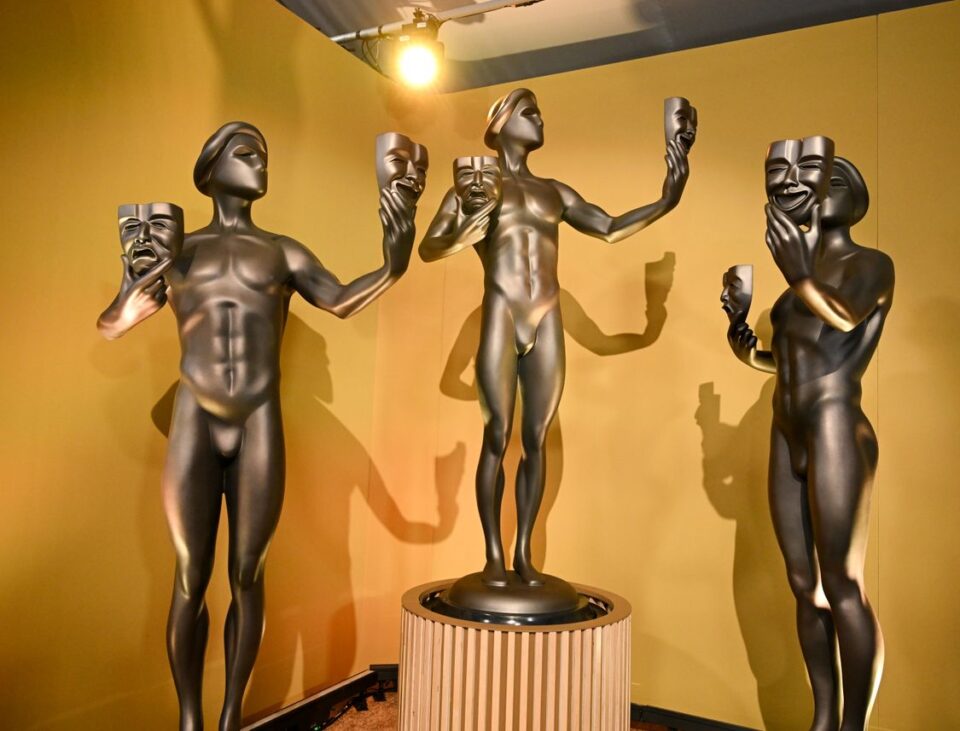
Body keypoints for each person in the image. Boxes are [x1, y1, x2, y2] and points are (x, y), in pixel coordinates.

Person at [97, 121, 423, 731]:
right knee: (190, 576)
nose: (260, 165)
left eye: (264, 156)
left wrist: (394, 263)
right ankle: (190, 720)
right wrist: (130, 293)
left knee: (247, 572)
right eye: (247, 153)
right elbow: (111, 325)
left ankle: (229, 718)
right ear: (212, 168)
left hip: (258, 420)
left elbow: (342, 299)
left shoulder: (283, 251)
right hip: (197, 415)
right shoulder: (176, 249)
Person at [420, 89, 692, 588]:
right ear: (499, 125)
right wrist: (468, 227)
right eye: (529, 112)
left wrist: (666, 198)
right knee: (496, 437)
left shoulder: (554, 192)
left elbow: (608, 227)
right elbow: (429, 247)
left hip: (545, 315)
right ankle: (493, 556)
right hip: (502, 311)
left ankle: (523, 552)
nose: (540, 119)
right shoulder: (475, 184)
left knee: (535, 440)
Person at [726, 152, 894, 731]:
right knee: (805, 586)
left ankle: (853, 726)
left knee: (843, 584)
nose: (817, 190)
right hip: (786, 428)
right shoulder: (791, 293)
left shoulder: (871, 264)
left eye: (835, 180)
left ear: (856, 200)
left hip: (835, 427)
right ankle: (823, 715)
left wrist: (799, 273)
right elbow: (785, 360)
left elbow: (845, 320)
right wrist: (742, 337)